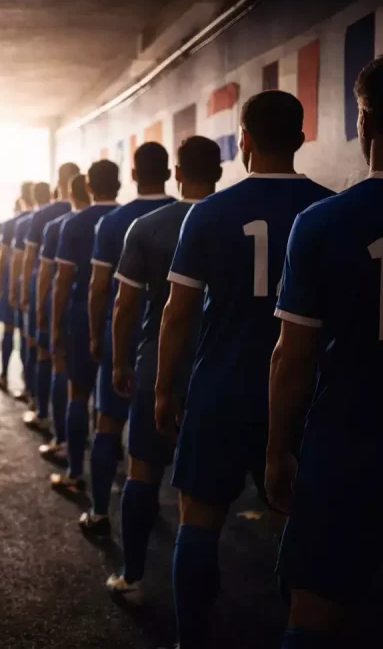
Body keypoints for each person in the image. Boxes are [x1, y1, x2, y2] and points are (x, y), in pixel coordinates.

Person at [270, 48, 383, 648]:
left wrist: (277, 448)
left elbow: (292, 356)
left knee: (312, 614)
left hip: (347, 447)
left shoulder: (323, 221)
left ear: (364, 122)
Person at [155, 90, 332, 648]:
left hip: (221, 387)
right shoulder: (329, 209)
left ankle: (191, 639)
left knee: (198, 520)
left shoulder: (209, 212)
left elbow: (178, 313)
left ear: (245, 142)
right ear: (301, 139)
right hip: (302, 395)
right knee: (298, 520)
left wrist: (164, 387)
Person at [106, 136, 222, 597]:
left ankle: (132, 576)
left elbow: (124, 304)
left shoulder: (149, 226)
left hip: (158, 362)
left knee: (143, 469)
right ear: (220, 171)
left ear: (178, 173)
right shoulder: (236, 220)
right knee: (203, 500)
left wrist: (119, 359)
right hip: (219, 368)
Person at [80, 143, 175, 536]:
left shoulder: (114, 221)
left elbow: (100, 288)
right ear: (169, 173)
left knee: (108, 421)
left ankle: (99, 512)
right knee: (155, 438)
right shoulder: (185, 216)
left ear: (133, 175)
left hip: (125, 336)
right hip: (169, 344)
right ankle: (147, 508)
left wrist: (95, 335)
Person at [50, 160, 119, 492]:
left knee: (78, 391)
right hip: (124, 316)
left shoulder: (74, 223)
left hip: (81, 314)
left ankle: (75, 472)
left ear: (89, 187)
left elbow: (63, 280)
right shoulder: (129, 217)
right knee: (113, 406)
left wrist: (53, 323)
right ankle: (116, 474)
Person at [37, 173, 90, 460]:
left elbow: (57, 277)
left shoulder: (64, 224)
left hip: (78, 311)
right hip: (117, 315)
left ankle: (64, 445)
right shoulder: (123, 219)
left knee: (68, 376)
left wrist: (49, 316)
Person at [20, 174, 75, 431]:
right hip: (94, 302)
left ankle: (43, 413)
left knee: (48, 353)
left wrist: (31, 297)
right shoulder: (107, 217)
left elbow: (35, 263)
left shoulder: (46, 219)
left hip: (56, 293)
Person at [8, 181, 41, 404]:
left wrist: (14, 288)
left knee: (30, 341)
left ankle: (32, 394)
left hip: (38, 289)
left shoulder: (25, 223)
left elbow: (21, 259)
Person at [0, 196, 27, 391]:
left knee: (9, 329)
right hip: (30, 283)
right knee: (27, 335)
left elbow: (0, 255)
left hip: (11, 281)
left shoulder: (8, 225)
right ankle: (27, 382)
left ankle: (4, 374)